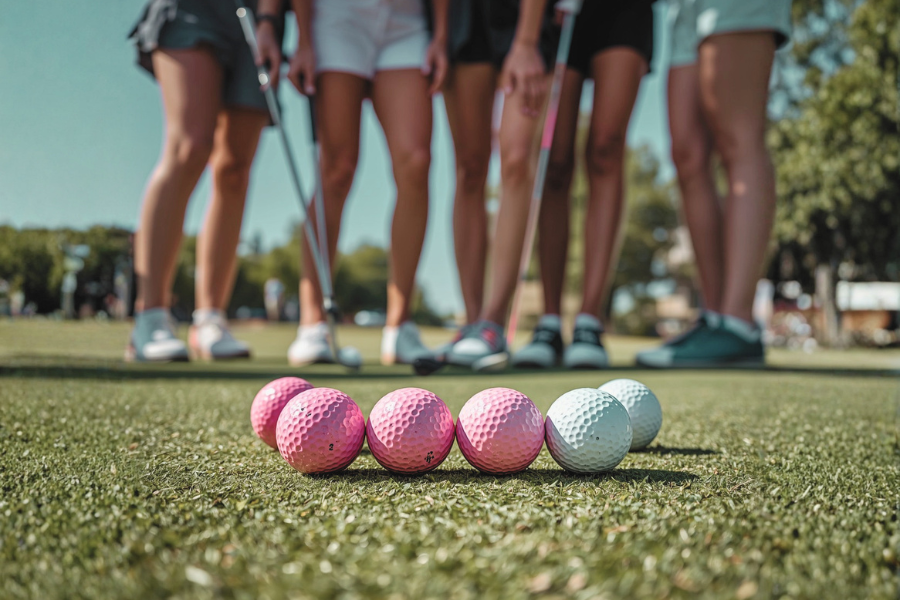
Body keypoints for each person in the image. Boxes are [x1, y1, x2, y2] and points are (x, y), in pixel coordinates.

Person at [256, 0, 449, 366]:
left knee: (417, 161)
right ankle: (314, 323)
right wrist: (305, 38)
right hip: (336, 18)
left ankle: (400, 325)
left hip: (408, 23)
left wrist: (441, 35)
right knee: (337, 169)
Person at [636, 0, 792, 367]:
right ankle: (715, 317)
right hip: (682, 8)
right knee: (686, 153)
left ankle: (737, 321)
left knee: (739, 138)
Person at [126, 0, 282, 362]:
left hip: (256, 14)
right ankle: (150, 315)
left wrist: (271, 20)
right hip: (192, 8)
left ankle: (210, 319)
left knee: (235, 170)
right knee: (190, 146)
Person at [511, 0, 656, 369]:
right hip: (561, 14)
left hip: (625, 12)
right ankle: (549, 322)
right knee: (555, 163)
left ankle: (590, 320)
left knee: (606, 149)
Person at [442, 0, 559, 370]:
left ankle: (493, 322)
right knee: (469, 167)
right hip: (465, 21)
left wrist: (526, 42)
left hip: (525, 21)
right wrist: (441, 34)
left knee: (516, 160)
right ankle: (473, 320)